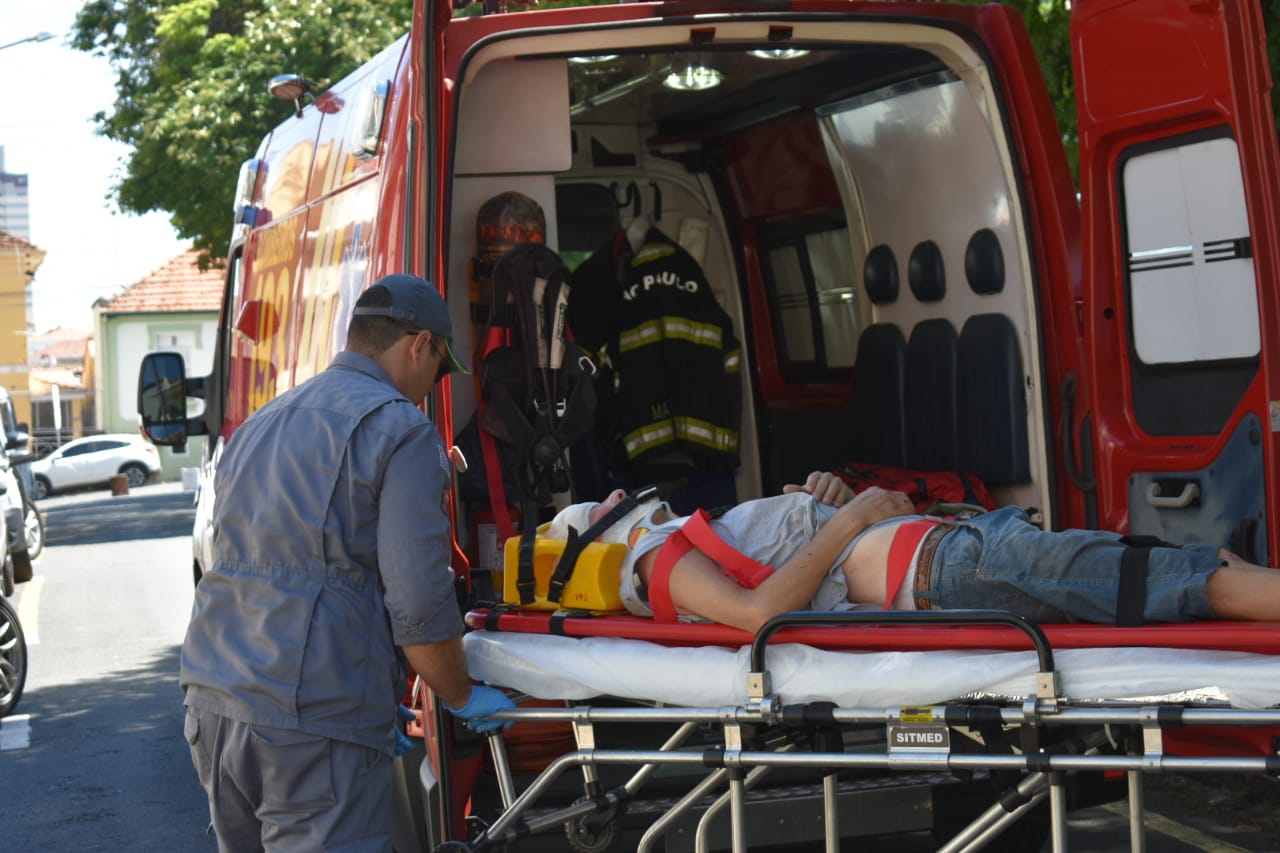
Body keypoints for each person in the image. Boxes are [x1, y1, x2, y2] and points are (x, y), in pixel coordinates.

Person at [180, 274, 514, 852]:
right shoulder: (400, 430)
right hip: (312, 723)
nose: (432, 387)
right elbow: (419, 601)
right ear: (418, 346)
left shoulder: (263, 423)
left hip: (215, 702)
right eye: (439, 368)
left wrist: (372, 696)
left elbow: (252, 566)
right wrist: (459, 694)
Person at [544, 471, 1280, 634]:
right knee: (1183, 581)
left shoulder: (681, 545)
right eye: (599, 501)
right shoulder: (655, 559)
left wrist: (818, 501)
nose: (615, 491)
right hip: (952, 566)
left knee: (1178, 565)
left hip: (960, 550)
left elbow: (778, 569)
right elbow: (758, 609)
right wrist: (853, 514)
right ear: (599, 528)